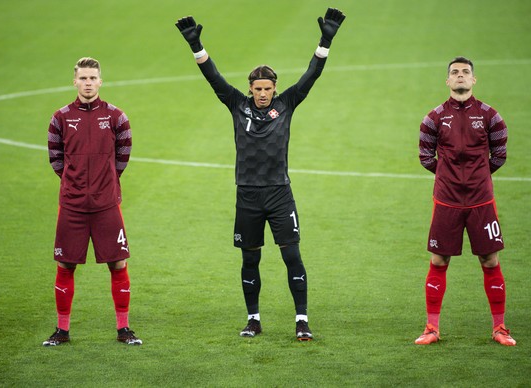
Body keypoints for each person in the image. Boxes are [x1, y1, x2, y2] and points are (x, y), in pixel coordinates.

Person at [175, 8, 345, 341]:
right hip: (248, 195)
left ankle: (301, 320)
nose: (263, 93)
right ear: (250, 89)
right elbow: (214, 78)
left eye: (268, 88)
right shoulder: (237, 104)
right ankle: (253, 319)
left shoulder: (289, 103)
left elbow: (312, 74)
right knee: (250, 259)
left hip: (280, 194)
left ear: (274, 88)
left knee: (291, 255)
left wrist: (325, 41)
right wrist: (197, 47)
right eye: (258, 88)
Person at [415, 56, 515, 346]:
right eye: (455, 73)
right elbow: (425, 156)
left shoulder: (490, 116)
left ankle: (500, 328)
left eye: (465, 72)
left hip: (481, 200)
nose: (460, 76)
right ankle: (431, 328)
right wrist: (449, 176)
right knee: (439, 259)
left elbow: (499, 155)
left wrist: (476, 177)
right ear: (447, 81)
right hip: (446, 200)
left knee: (490, 259)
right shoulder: (433, 118)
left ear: (474, 80)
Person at [43, 57, 142, 346]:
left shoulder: (116, 117)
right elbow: (55, 158)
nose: (88, 83)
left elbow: (123, 156)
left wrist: (105, 180)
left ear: (100, 81)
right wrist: (75, 183)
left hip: (106, 204)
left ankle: (123, 329)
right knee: (65, 265)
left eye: (92, 78)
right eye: (83, 78)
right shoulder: (60, 118)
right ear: (75, 81)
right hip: (72, 205)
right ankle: (62, 331)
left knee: (119, 264)